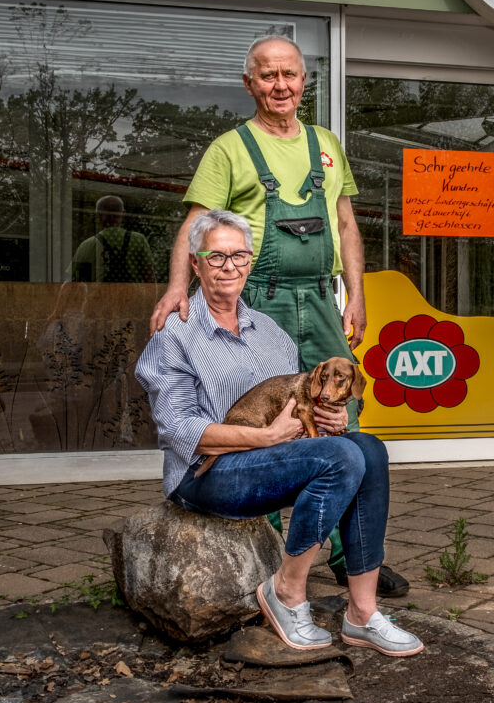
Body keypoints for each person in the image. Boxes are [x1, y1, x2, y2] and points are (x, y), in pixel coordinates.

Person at [147, 35, 408, 597]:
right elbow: (195, 227)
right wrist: (176, 288)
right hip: (259, 298)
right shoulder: (230, 149)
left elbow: (345, 225)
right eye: (268, 76)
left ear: (304, 82)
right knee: (269, 417)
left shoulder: (325, 144)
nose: (281, 85)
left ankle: (348, 555)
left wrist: (355, 295)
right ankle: (264, 553)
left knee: (344, 416)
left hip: (318, 297)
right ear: (250, 84)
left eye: (289, 74)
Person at [135, 209, 423, 656]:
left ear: (250, 263)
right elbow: (178, 429)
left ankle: (362, 613)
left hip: (269, 464)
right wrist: (265, 437)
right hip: (205, 475)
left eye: (239, 255)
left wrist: (331, 420)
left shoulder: (271, 332)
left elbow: (301, 404)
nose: (228, 266)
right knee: (341, 457)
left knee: (367, 448)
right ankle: (286, 593)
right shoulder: (175, 333)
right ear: (195, 263)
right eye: (216, 257)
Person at [70, 196, 156, 283]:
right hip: (134, 296)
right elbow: (149, 277)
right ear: (123, 214)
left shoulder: (86, 245)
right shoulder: (139, 240)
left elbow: (75, 280)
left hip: (99, 296)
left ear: (99, 215)